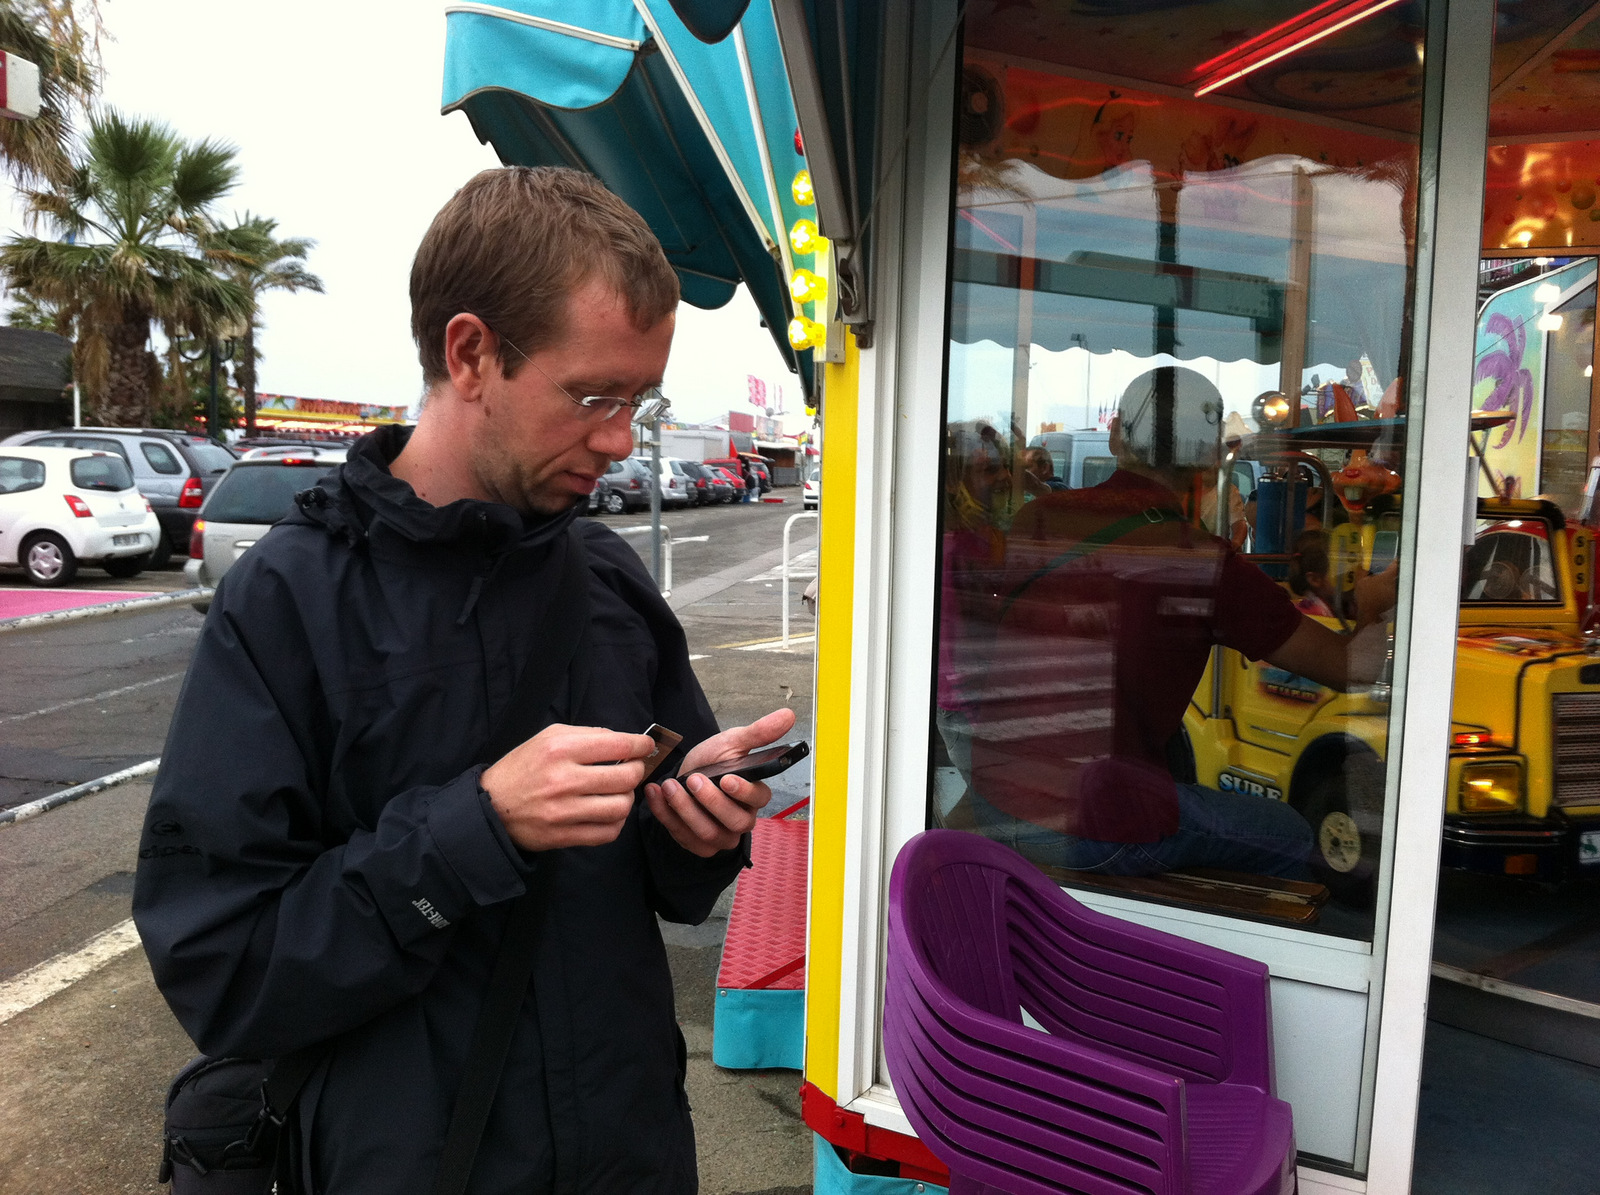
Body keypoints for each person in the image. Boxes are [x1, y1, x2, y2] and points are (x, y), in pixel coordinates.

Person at [132, 166, 794, 1194]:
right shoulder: (290, 601)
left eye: (640, 400)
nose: (620, 439)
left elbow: (665, 883)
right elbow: (223, 967)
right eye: (593, 396)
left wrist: (695, 828)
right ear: (471, 353)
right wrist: (471, 830)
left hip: (631, 1154)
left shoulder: (606, 580)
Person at [961, 366, 1395, 879]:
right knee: (1292, 834)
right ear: (1211, 458)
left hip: (992, 798)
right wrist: (1375, 602)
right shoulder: (1206, 564)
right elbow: (1351, 668)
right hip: (1089, 825)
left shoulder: (1037, 519)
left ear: (1117, 436)